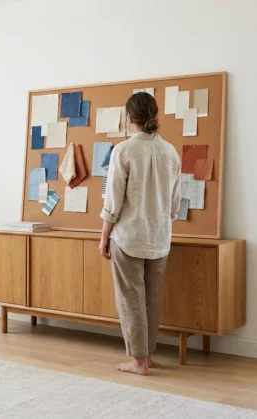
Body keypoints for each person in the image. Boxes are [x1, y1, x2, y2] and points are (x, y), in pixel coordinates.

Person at [98, 92, 181, 376]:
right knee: (151, 298)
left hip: (128, 237)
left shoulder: (124, 150)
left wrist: (103, 237)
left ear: (129, 117)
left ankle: (139, 362)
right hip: (159, 237)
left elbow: (113, 202)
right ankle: (149, 355)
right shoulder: (171, 151)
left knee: (130, 299)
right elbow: (174, 205)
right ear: (155, 115)